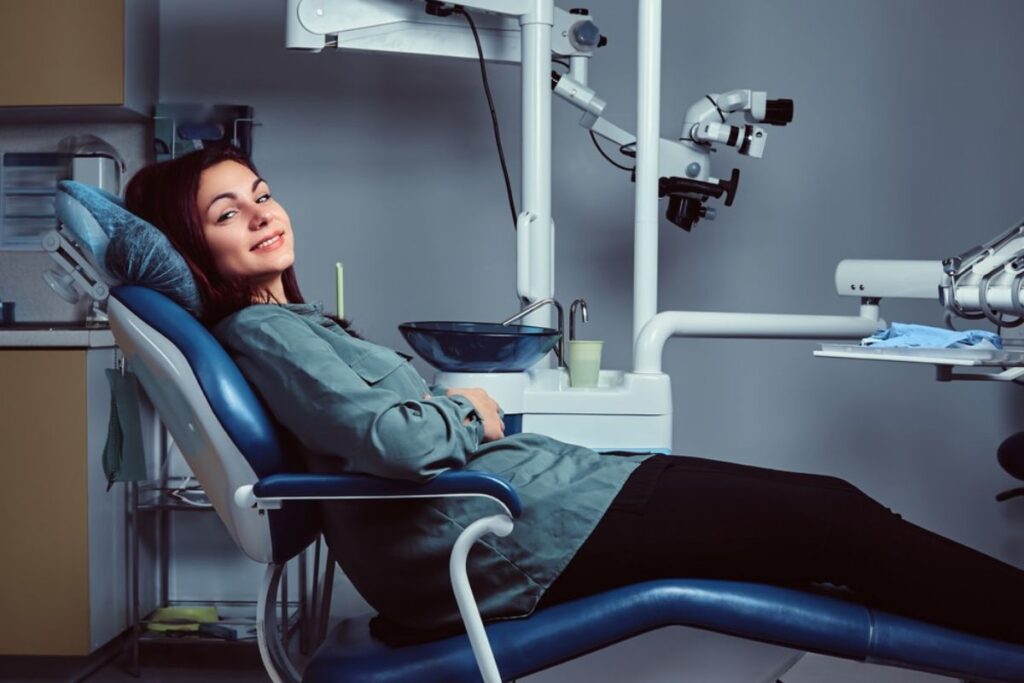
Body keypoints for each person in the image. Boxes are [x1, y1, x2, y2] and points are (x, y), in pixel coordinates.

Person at [125, 146, 1024, 646]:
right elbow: (399, 444)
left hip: (544, 505)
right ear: (197, 249)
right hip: (522, 530)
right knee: (834, 519)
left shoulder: (291, 325)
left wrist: (464, 414)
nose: (263, 214)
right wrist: (466, 408)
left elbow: (380, 431)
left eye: (262, 194)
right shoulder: (266, 333)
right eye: (228, 213)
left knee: (818, 536)